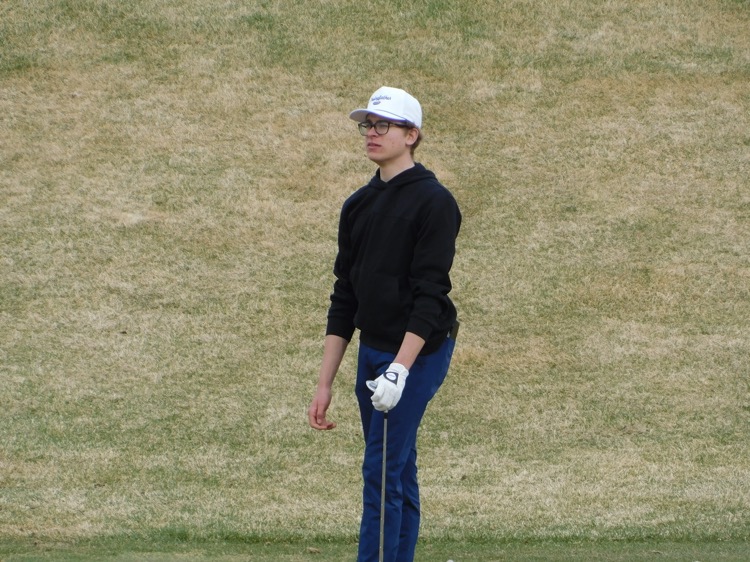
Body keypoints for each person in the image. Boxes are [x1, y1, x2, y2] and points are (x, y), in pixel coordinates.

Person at [307, 86, 461, 562]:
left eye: (383, 125)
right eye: (367, 125)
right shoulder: (358, 204)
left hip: (418, 351)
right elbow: (345, 295)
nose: (371, 134)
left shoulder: (435, 202)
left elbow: (430, 295)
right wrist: (325, 383)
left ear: (411, 135)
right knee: (396, 466)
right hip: (373, 350)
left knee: (380, 469)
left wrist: (399, 370)